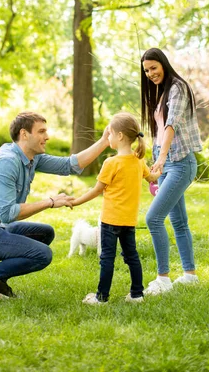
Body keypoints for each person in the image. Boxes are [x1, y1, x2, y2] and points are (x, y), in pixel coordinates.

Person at [0, 111, 109, 307]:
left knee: (45, 233)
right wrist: (49, 202)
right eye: (41, 131)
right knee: (42, 254)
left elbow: (69, 165)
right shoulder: (6, 162)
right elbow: (8, 214)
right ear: (24, 134)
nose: (47, 136)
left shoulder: (31, 157)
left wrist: (104, 141)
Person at [69, 112, 161, 304]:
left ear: (119, 136)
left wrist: (76, 201)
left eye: (109, 134)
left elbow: (96, 191)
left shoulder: (111, 163)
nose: (107, 137)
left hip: (110, 221)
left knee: (107, 259)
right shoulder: (138, 161)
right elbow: (151, 178)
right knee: (132, 257)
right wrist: (157, 172)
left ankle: (101, 298)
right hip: (129, 221)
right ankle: (137, 295)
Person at [141, 48, 202, 296]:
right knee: (178, 221)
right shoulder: (162, 91)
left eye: (154, 67)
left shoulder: (177, 87)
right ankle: (190, 275)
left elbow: (171, 124)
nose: (150, 73)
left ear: (164, 64)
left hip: (180, 163)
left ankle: (163, 279)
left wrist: (163, 157)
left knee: (152, 219)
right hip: (165, 164)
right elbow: (158, 132)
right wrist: (156, 167)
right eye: (146, 70)